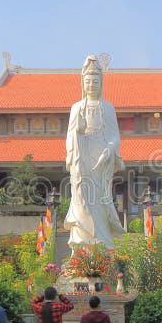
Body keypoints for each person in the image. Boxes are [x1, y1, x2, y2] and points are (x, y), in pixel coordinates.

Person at [64, 55, 125, 251]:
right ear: (83, 82)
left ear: (101, 83)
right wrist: (78, 132)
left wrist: (109, 150)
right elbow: (70, 135)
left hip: (101, 158)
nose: (91, 85)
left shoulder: (107, 108)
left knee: (99, 199)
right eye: (88, 81)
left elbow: (115, 135)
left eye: (95, 81)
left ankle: (102, 245)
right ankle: (81, 247)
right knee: (81, 197)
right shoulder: (76, 108)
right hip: (81, 157)